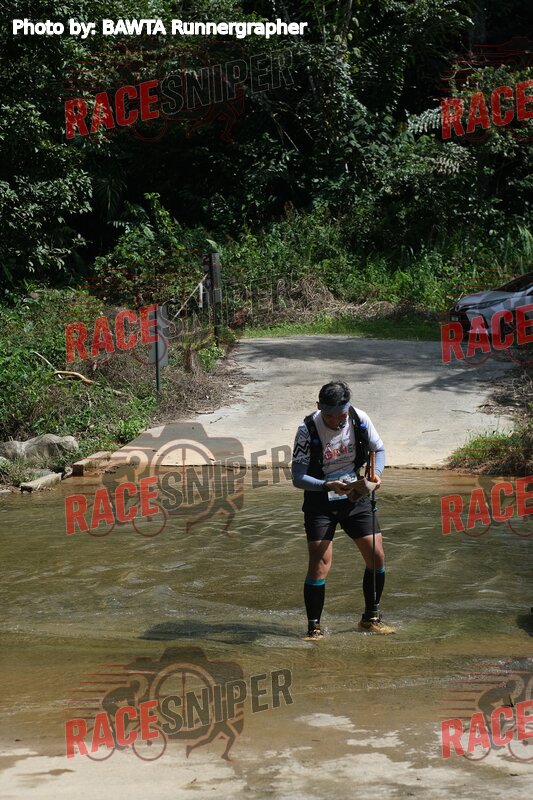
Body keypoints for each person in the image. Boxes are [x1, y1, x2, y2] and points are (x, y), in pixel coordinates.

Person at [291, 380, 395, 637]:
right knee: (320, 563)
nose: (337, 421)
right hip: (320, 500)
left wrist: (376, 474)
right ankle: (314, 629)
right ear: (319, 407)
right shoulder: (306, 430)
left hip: (355, 495)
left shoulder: (360, 419)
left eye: (342, 415)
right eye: (330, 416)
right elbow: (298, 477)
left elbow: (379, 449)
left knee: (376, 555)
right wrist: (326, 485)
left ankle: (371, 617)